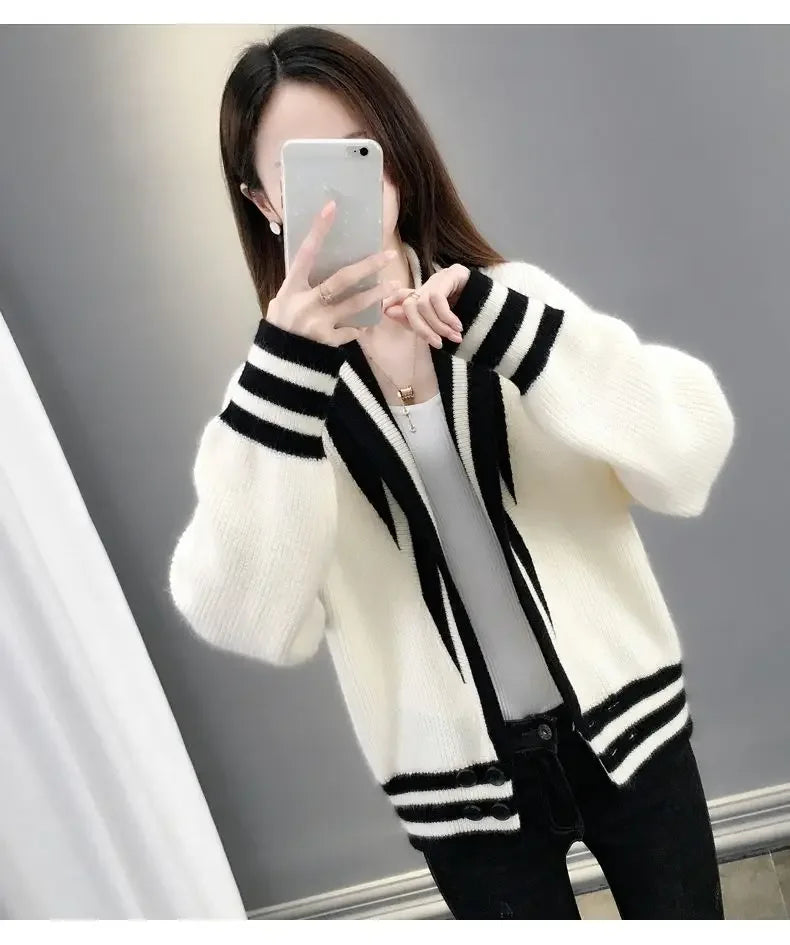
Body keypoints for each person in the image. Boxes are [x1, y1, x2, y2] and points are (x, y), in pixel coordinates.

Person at [168, 25, 734, 919]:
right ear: (263, 200)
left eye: (362, 150)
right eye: (305, 172)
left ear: (398, 154)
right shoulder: (273, 401)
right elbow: (247, 615)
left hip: (633, 728)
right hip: (461, 793)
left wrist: (512, 332)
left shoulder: (512, 305)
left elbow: (690, 452)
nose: (345, 191)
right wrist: (285, 373)